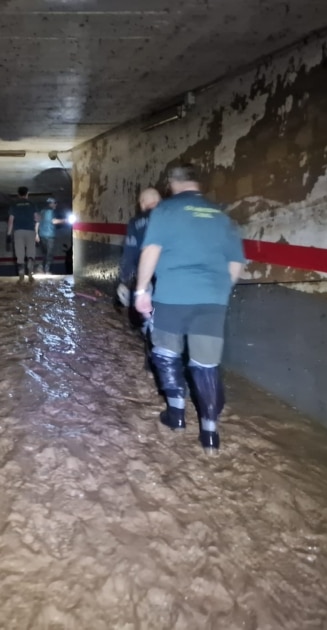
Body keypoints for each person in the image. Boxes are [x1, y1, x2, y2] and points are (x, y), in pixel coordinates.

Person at [134, 163, 245, 453]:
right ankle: (210, 434)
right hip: (212, 299)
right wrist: (219, 290)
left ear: (171, 183)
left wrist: (141, 289)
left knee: (166, 354)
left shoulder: (166, 211)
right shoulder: (221, 216)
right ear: (198, 183)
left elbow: (151, 250)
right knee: (206, 364)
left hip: (172, 296)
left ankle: (177, 416)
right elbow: (236, 262)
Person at [116, 187, 161, 309]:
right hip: (172, 276)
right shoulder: (174, 218)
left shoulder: (136, 222)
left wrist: (124, 280)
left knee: (144, 311)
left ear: (142, 203)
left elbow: (130, 252)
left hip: (148, 277)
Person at [7, 186, 39, 283]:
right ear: (27, 194)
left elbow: (11, 220)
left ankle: (21, 275)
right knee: (31, 252)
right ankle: (30, 274)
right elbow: (37, 219)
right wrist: (37, 233)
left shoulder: (14, 205)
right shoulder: (32, 204)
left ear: (18, 194)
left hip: (18, 231)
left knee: (19, 253)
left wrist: (8, 234)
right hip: (30, 231)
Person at [38, 197, 64, 274]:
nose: (56, 204)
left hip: (42, 234)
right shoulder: (51, 211)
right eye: (55, 203)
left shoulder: (42, 211)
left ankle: (42, 268)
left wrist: (36, 234)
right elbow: (54, 221)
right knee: (49, 253)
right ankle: (47, 270)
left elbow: (38, 222)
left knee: (45, 253)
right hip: (50, 235)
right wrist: (66, 220)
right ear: (51, 204)